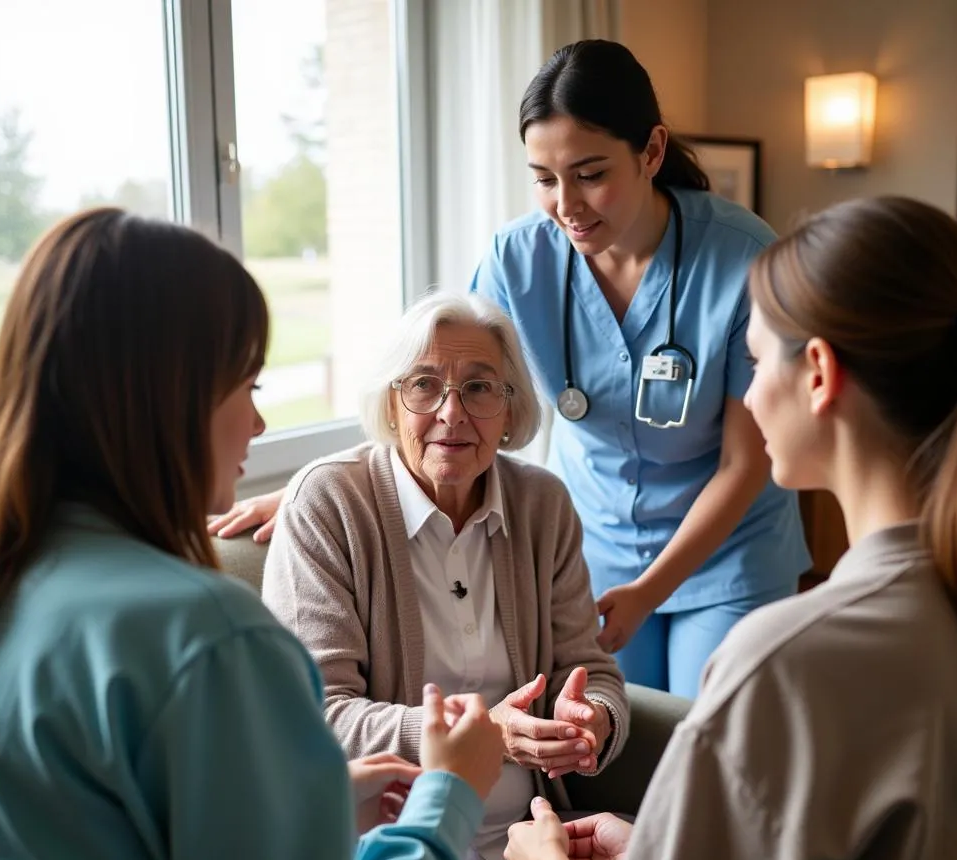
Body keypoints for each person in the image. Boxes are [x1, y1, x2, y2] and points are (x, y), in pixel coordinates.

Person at [0, 209, 508, 860]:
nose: (258, 425)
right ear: (170, 396)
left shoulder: (3, 580)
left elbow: (94, 854)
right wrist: (448, 793)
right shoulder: (210, 637)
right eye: (248, 386)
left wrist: (315, 801)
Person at [483, 195, 957, 860]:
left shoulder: (786, 660)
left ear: (820, 374)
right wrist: (652, 848)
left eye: (755, 365)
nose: (748, 398)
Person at [209, 39, 811, 698]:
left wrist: (648, 592)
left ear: (652, 151)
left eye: (590, 173)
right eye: (545, 179)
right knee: (614, 740)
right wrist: (315, 487)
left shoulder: (741, 258)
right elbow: (446, 389)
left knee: (708, 741)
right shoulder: (519, 259)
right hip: (594, 540)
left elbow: (745, 462)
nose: (566, 205)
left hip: (726, 551)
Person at [260, 290, 630, 860]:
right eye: (425, 385)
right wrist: (485, 731)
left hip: (537, 830)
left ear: (511, 407)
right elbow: (315, 714)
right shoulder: (331, 503)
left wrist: (592, 721)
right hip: (413, 839)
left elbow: (592, 666)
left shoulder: (542, 504)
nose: (451, 412)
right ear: (392, 402)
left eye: (479, 387)